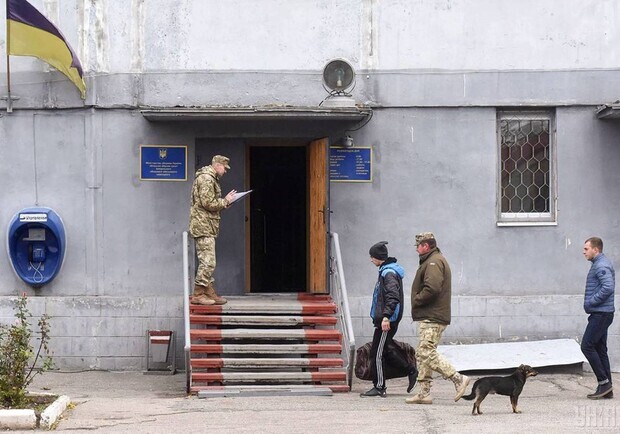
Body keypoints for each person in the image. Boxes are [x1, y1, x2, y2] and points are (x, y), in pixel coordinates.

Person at [405, 232, 469, 405]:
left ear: (425, 246)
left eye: (418, 245)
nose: (416, 249)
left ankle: (458, 379)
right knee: (423, 353)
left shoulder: (433, 262)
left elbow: (432, 288)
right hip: (431, 315)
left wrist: (417, 300)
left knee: (426, 352)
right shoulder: (433, 260)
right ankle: (424, 393)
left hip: (433, 315)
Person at [360, 241, 418, 398]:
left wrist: (386, 317)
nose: (371, 259)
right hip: (386, 319)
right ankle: (410, 370)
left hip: (387, 320)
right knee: (383, 350)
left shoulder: (389, 273)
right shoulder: (386, 271)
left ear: (378, 257)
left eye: (372, 257)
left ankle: (379, 387)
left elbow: (392, 297)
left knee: (376, 353)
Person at [188, 155, 236, 305]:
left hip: (206, 224)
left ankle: (208, 291)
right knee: (208, 262)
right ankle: (198, 293)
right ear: (217, 165)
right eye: (224, 168)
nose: (225, 171)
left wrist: (224, 203)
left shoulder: (210, 178)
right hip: (203, 225)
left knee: (208, 260)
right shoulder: (207, 179)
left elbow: (209, 204)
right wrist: (225, 200)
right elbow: (207, 203)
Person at [581, 236, 615, 399]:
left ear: (596, 249)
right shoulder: (598, 264)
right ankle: (607, 389)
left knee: (587, 346)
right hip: (602, 312)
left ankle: (604, 382)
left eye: (586, 249)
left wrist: (591, 302)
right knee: (600, 349)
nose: (584, 252)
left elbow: (608, 287)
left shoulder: (601, 265)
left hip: (601, 313)